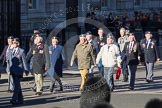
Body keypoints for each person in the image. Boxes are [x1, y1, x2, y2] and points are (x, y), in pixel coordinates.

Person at [6, 38, 29, 104]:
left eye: (14, 43)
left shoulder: (21, 51)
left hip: (19, 71)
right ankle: (20, 100)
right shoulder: (10, 50)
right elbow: (8, 61)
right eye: (12, 43)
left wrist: (26, 70)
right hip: (12, 70)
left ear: (18, 43)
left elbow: (24, 62)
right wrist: (8, 69)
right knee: (17, 85)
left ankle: (14, 99)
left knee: (16, 85)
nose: (13, 44)